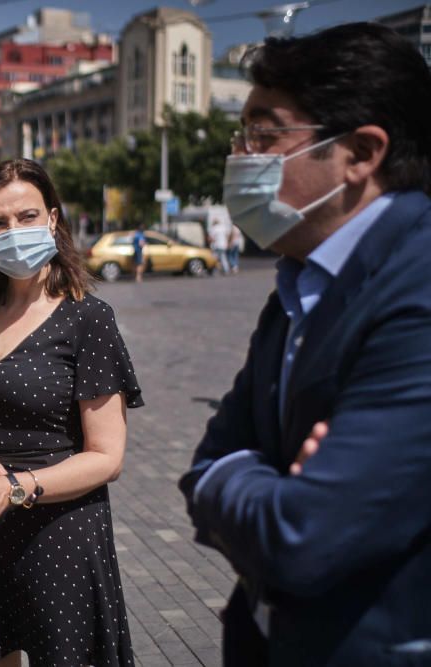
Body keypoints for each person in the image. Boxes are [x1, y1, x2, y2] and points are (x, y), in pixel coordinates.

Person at [178, 23, 431, 666]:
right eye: (242, 135)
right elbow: (206, 463)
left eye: (265, 134)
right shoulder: (297, 282)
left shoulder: (418, 285)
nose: (241, 154)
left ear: (361, 152)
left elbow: (305, 534)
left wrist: (242, 476)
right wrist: (250, 473)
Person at [0, 158, 143, 666]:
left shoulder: (88, 317)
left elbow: (107, 457)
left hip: (60, 531)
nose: (12, 231)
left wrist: (15, 487)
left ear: (52, 219)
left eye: (26, 216)